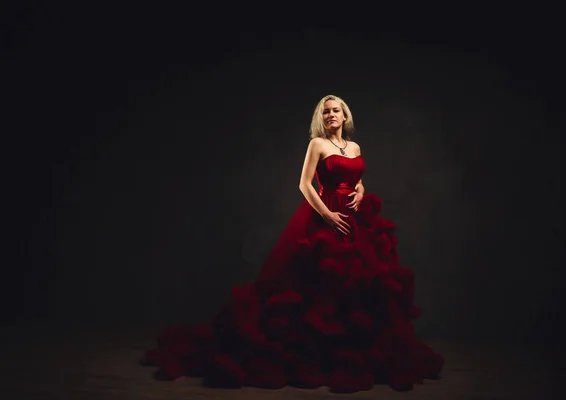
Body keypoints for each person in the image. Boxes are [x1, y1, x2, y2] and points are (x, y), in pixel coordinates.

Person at [141, 95, 445, 393]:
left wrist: (361, 193)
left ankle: (351, 351)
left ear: (345, 116)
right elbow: (304, 183)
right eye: (325, 112)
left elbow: (358, 179)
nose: (330, 116)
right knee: (319, 282)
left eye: (335, 111)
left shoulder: (354, 147)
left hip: (353, 219)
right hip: (326, 215)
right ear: (321, 118)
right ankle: (321, 354)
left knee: (359, 284)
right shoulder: (318, 144)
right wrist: (326, 215)